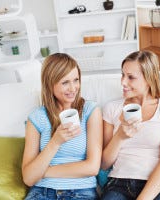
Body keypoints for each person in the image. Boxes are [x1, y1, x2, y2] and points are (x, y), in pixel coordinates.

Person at [100, 50, 160, 200]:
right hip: (119, 183)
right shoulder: (111, 108)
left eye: (131, 77)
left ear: (148, 79)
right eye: (123, 75)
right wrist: (119, 136)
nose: (123, 82)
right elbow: (104, 164)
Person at [22, 53, 103, 200]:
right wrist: (55, 142)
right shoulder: (36, 117)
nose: (73, 88)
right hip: (42, 192)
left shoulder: (90, 111)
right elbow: (28, 178)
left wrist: (42, 171)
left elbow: (92, 167)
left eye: (76, 80)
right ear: (49, 84)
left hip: (81, 192)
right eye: (65, 82)